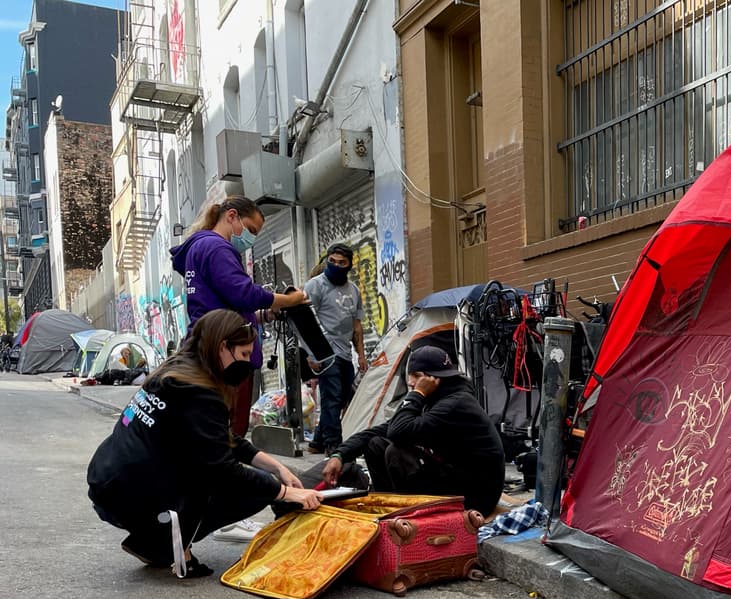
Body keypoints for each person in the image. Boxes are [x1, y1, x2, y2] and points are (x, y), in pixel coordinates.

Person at [87, 309, 322, 578]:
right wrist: (283, 492)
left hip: (107, 485)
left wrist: (276, 467)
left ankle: (154, 538)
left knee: (212, 465)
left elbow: (219, 438)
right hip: (131, 497)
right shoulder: (200, 394)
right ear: (223, 347)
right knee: (239, 483)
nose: (248, 362)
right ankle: (170, 543)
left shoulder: (173, 374)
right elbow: (222, 467)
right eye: (244, 354)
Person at [170, 196, 308, 438]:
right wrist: (289, 300)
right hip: (226, 355)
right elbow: (243, 293)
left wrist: (263, 315)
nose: (251, 239)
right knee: (229, 433)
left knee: (216, 430)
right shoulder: (216, 247)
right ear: (231, 216)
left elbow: (224, 303)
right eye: (251, 230)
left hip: (211, 347)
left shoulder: (200, 248)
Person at [321, 345, 505, 516]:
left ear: (433, 379)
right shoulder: (435, 400)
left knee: (398, 452)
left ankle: (410, 514)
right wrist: (340, 455)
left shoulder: (455, 403)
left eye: (416, 376)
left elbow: (398, 431)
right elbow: (382, 430)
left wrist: (416, 395)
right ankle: (390, 504)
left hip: (476, 497)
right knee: (376, 444)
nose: (410, 382)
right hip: (455, 476)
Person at [303, 242, 367, 454]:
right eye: (332, 261)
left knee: (342, 397)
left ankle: (317, 441)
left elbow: (357, 326)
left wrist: (362, 355)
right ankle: (334, 446)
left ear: (349, 265)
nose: (336, 265)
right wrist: (312, 355)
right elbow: (307, 322)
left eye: (342, 263)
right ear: (327, 260)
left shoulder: (354, 290)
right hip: (325, 352)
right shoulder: (315, 285)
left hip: (345, 352)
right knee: (331, 397)